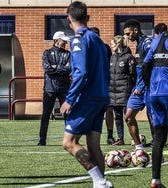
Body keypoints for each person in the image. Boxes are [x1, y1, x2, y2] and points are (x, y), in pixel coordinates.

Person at [60, 1, 113, 188]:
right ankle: (102, 183)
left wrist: (69, 99)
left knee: (69, 142)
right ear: (87, 18)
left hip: (87, 98)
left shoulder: (78, 39)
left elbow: (81, 73)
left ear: (68, 20)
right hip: (101, 96)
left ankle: (99, 181)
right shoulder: (97, 39)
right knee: (93, 144)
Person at [143, 30, 168, 188]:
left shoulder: (156, 40)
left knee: (159, 138)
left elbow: (145, 64)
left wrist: (149, 85)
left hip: (155, 93)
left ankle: (156, 180)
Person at [123, 19, 152, 150]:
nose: (128, 37)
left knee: (152, 119)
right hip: (138, 87)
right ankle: (139, 148)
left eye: (129, 33)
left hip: (149, 87)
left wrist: (141, 86)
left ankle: (157, 146)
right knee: (128, 117)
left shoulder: (147, 43)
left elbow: (151, 66)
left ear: (136, 30)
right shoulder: (138, 44)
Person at [38, 31, 71, 146]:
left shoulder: (68, 54)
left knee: (67, 113)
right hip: (49, 88)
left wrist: (56, 67)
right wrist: (62, 68)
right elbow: (47, 69)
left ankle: (69, 139)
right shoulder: (47, 53)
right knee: (46, 113)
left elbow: (70, 69)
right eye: (64, 40)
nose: (66, 42)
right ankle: (42, 139)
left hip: (64, 88)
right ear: (58, 40)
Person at [143, 23, 168, 147]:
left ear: (156, 33)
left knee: (156, 117)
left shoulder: (154, 43)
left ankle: (157, 143)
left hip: (155, 89)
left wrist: (147, 82)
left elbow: (145, 64)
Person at [108, 35, 136, 146]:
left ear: (118, 44)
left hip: (125, 91)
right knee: (118, 117)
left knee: (128, 117)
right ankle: (120, 138)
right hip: (113, 92)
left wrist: (131, 88)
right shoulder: (112, 57)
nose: (111, 46)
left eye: (112, 44)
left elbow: (133, 74)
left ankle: (134, 138)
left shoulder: (128, 57)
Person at [90, 27, 115, 145]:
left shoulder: (105, 48)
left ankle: (110, 135)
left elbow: (110, 64)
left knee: (109, 110)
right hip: (91, 84)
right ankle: (93, 137)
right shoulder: (86, 48)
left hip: (104, 83)